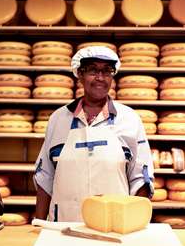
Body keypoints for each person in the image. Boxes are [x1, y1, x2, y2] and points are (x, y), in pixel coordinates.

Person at [34, 46, 154, 221]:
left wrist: (134, 225)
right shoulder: (58, 119)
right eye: (92, 70)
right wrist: (39, 223)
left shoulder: (129, 119)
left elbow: (140, 178)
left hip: (114, 225)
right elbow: (45, 177)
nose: (100, 78)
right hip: (64, 223)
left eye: (107, 71)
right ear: (80, 74)